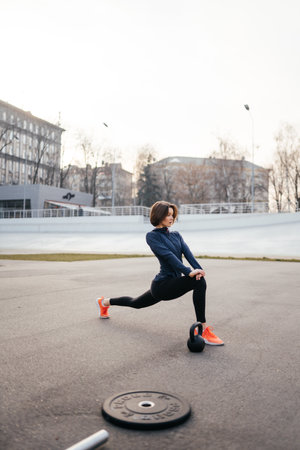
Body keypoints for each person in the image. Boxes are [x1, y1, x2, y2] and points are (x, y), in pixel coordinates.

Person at [96, 200, 224, 345]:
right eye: (168, 215)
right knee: (198, 283)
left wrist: (198, 270)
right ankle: (203, 330)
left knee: (136, 302)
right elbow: (169, 256)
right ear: (159, 215)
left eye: (172, 215)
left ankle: (104, 302)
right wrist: (189, 272)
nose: (172, 218)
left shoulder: (176, 235)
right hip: (162, 286)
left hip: (171, 284)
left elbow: (189, 255)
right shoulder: (152, 236)